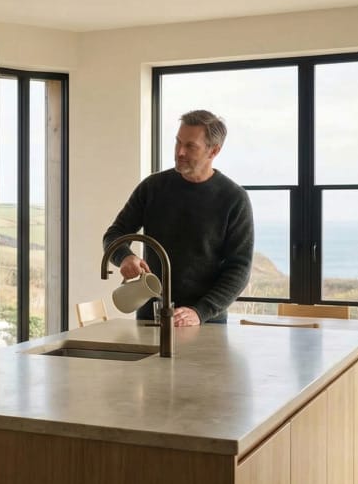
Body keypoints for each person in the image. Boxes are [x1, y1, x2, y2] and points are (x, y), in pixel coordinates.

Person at [102, 109, 254, 326]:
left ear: (214, 151)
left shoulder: (234, 198)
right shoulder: (152, 187)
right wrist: (124, 256)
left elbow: (239, 268)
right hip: (151, 318)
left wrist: (200, 312)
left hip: (207, 322)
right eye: (178, 142)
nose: (180, 152)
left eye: (190, 146)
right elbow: (115, 234)